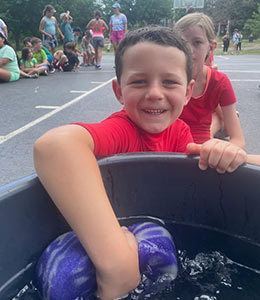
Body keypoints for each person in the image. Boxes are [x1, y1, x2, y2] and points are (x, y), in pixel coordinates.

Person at [34, 26, 248, 300]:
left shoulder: (180, 132)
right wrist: (117, 263)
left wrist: (226, 151)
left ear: (187, 92)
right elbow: (54, 146)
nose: (155, 93)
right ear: (119, 91)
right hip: (107, 247)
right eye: (139, 82)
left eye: (169, 82)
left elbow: (202, 161)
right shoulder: (122, 130)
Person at [175, 13, 245, 148]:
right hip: (168, 145)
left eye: (197, 42)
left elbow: (238, 139)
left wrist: (224, 152)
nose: (189, 49)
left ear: (211, 47)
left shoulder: (219, 82)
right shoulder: (163, 79)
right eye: (182, 43)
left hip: (204, 148)